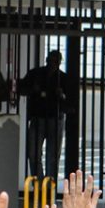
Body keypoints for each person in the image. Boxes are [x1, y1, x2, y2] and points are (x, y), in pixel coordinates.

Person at [19, 49, 73, 179]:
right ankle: (40, 184)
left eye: (55, 61)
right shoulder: (36, 74)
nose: (52, 64)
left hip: (55, 118)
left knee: (51, 155)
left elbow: (71, 103)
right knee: (34, 154)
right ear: (47, 60)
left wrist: (62, 95)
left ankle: (48, 186)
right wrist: (33, 90)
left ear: (59, 63)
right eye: (51, 60)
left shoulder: (63, 78)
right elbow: (21, 89)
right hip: (39, 118)